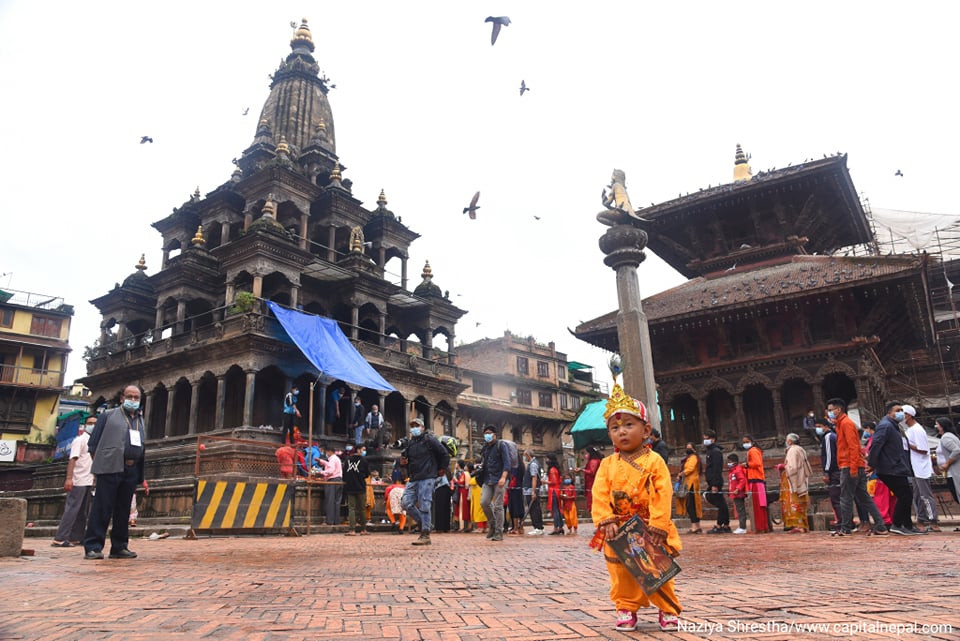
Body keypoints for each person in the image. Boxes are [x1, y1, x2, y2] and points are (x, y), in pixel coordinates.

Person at [590, 379, 681, 632]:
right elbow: (599, 493)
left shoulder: (655, 461)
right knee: (621, 574)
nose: (622, 431)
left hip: (651, 527)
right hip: (618, 529)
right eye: (615, 427)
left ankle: (668, 609)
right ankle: (625, 608)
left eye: (629, 425)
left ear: (646, 429)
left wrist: (660, 524)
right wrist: (605, 518)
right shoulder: (607, 464)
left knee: (657, 569)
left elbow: (663, 493)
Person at [83, 385, 146, 560]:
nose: (133, 400)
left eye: (136, 397)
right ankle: (93, 546)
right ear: (121, 398)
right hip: (110, 467)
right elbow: (93, 445)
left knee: (123, 509)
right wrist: (101, 464)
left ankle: (119, 546)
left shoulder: (140, 419)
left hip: (131, 469)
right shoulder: (107, 416)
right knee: (102, 507)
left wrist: (140, 473)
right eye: (130, 396)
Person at [827, 398, 888, 536]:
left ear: (838, 410)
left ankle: (845, 527)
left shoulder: (846, 424)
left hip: (849, 465)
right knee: (864, 497)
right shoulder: (841, 423)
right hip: (853, 464)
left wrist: (853, 467)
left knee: (845, 497)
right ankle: (880, 525)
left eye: (831, 410)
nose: (829, 413)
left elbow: (853, 447)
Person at [867, 401, 918, 535]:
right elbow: (876, 444)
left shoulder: (894, 426)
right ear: (889, 412)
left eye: (901, 410)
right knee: (905, 495)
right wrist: (872, 464)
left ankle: (907, 525)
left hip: (896, 466)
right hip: (890, 467)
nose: (900, 413)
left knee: (906, 495)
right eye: (897, 410)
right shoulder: (885, 426)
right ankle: (897, 524)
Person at [400, 418, 450, 546]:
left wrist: (442, 469)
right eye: (412, 426)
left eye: (417, 426)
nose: (414, 428)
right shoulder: (410, 443)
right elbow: (407, 461)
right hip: (414, 477)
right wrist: (404, 463)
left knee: (424, 505)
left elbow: (444, 454)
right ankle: (424, 523)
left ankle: (425, 534)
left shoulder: (430, 440)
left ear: (422, 427)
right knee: (406, 503)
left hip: (427, 476)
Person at [52, 416, 97, 547]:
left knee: (83, 512)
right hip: (78, 480)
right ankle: (60, 537)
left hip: (88, 480)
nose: (92, 426)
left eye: (95, 424)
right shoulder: (80, 440)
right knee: (72, 509)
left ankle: (76, 537)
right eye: (90, 423)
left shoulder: (94, 441)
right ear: (85, 425)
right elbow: (73, 459)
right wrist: (69, 478)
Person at [903, 405, 940, 531]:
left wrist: (909, 445)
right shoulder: (909, 430)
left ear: (908, 415)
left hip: (921, 467)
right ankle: (921, 518)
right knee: (917, 495)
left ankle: (933, 520)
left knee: (925, 495)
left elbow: (923, 450)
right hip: (913, 466)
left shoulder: (917, 430)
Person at [478, 425, 510, 542]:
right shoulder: (485, 448)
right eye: (485, 433)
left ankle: (499, 531)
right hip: (487, 479)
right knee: (484, 502)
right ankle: (492, 524)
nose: (487, 435)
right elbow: (484, 463)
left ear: (495, 434)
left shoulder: (501, 445)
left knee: (498, 506)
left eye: (489, 433)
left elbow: (507, 462)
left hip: (500, 478)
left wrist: (503, 477)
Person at [811, 415, 842, 527]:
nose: (817, 429)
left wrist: (826, 472)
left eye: (819, 426)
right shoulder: (833, 436)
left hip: (834, 471)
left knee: (836, 498)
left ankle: (842, 522)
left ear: (825, 426)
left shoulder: (829, 437)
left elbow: (829, 456)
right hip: (838, 470)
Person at [778, 433, 812, 533]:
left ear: (790, 441)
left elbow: (792, 467)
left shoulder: (792, 450)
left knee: (795, 502)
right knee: (801, 502)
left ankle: (798, 525)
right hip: (801, 478)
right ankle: (804, 525)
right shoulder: (800, 449)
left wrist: (783, 466)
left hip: (794, 480)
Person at [703, 431, 729, 534]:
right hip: (711, 481)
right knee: (720, 503)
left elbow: (717, 469)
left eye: (707, 438)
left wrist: (715, 484)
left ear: (713, 439)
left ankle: (720, 525)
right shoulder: (710, 451)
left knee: (720, 504)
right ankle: (725, 524)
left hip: (715, 481)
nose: (705, 440)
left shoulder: (716, 452)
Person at [742, 435, 769, 533]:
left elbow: (757, 463)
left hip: (755, 480)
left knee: (757, 506)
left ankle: (760, 527)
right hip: (757, 480)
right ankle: (762, 526)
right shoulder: (755, 450)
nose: (745, 443)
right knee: (760, 506)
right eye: (744, 442)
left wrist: (746, 465)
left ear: (752, 441)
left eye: (747, 441)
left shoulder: (753, 450)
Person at [342, 444, 370, 535]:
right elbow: (367, 474)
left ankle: (352, 530)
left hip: (350, 486)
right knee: (362, 508)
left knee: (351, 508)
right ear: (358, 450)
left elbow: (344, 474)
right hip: (360, 486)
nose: (364, 451)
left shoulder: (347, 460)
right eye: (363, 449)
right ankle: (363, 529)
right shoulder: (364, 461)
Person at [675, 443, 702, 533]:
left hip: (692, 484)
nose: (688, 449)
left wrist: (681, 473)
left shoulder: (693, 457)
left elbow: (690, 469)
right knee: (690, 505)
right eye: (687, 448)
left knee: (691, 505)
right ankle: (696, 525)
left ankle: (695, 525)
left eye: (689, 448)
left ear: (694, 449)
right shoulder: (689, 458)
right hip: (687, 482)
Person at [316, 444, 343, 525]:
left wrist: (321, 473)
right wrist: (321, 461)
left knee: (330, 501)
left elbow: (331, 470)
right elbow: (329, 465)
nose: (326, 454)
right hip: (338, 480)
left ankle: (330, 521)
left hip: (332, 481)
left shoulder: (333, 459)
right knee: (337, 502)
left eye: (326, 452)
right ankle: (336, 520)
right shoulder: (336, 458)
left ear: (329, 451)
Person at [522, 450, 545, 535]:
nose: (525, 458)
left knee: (534, 509)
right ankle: (539, 527)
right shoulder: (534, 463)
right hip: (531, 489)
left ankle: (537, 527)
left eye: (525, 456)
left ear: (528, 455)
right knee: (535, 508)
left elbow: (534, 478)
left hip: (531, 490)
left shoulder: (533, 464)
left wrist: (533, 491)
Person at [727, 453, 748, 534]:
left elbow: (742, 480)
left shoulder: (738, 470)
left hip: (738, 494)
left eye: (729, 461)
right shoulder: (732, 471)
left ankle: (742, 527)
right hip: (734, 494)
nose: (728, 463)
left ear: (734, 462)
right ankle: (741, 526)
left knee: (740, 510)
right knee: (739, 510)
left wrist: (737, 489)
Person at [579, 447, 602, 513]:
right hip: (591, 482)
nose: (586, 455)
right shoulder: (594, 461)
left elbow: (592, 472)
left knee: (592, 498)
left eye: (587, 453)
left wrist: (582, 470)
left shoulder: (593, 461)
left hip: (592, 483)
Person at [546, 455, 565, 535]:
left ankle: (556, 527)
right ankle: (560, 527)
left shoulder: (552, 470)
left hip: (553, 491)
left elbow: (553, 482)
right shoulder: (556, 469)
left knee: (555, 510)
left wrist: (545, 482)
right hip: (557, 490)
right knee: (558, 509)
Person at [506, 458, 525, 536]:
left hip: (513, 488)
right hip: (519, 488)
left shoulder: (514, 466)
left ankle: (516, 528)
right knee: (520, 507)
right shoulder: (522, 465)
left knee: (514, 508)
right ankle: (521, 527)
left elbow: (512, 477)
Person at [452, 460, 471, 532]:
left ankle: (462, 526)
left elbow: (461, 483)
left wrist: (455, 480)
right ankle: (467, 526)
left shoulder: (464, 473)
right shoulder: (466, 473)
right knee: (465, 509)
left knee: (462, 509)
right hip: (463, 491)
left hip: (463, 492)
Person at [468, 463, 487, 534]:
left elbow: (471, 481)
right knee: (483, 511)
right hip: (479, 494)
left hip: (477, 496)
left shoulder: (476, 477)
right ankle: (485, 527)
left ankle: (480, 527)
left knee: (478, 511)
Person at [434, 469, 453, 533]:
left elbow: (450, 478)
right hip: (439, 489)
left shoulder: (447, 471)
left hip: (446, 488)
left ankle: (446, 527)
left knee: (446, 508)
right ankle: (440, 527)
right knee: (440, 508)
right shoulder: (436, 469)